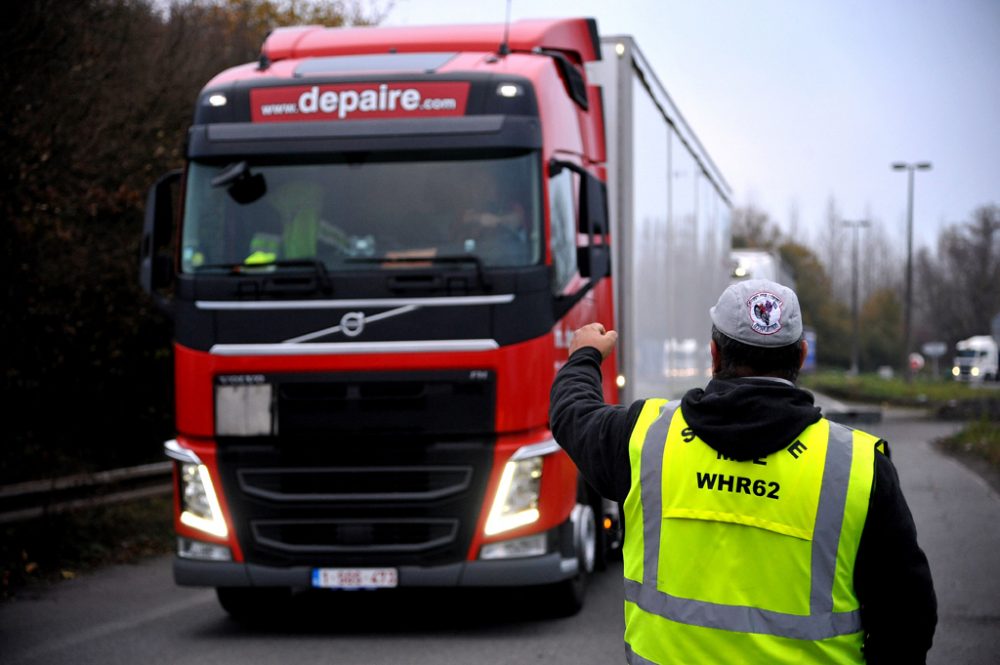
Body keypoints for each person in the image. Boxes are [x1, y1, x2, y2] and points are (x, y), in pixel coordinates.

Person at [549, 279, 936, 664]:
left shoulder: (646, 439)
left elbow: (573, 414)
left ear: (714, 354)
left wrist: (585, 356)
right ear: (800, 357)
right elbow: (908, 617)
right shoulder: (858, 468)